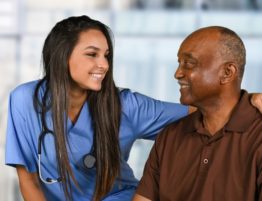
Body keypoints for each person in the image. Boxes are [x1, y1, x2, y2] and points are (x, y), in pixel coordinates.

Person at [4, 16, 262, 201]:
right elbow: (28, 178)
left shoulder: (126, 105)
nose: (104, 64)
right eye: (92, 54)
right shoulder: (25, 100)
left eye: (107, 55)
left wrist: (248, 99)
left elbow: (209, 109)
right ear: (62, 56)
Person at [133, 26, 262, 201]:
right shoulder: (170, 136)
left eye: (188, 63)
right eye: (179, 63)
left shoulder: (257, 135)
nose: (177, 73)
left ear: (227, 73)